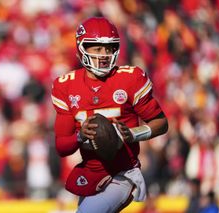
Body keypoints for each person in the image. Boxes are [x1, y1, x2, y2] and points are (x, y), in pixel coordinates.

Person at [51, 16, 168, 213]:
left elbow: (161, 123)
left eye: (109, 48)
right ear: (82, 48)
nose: (104, 54)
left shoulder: (130, 79)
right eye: (97, 48)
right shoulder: (66, 85)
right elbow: (62, 146)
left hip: (122, 173)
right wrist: (80, 136)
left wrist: (133, 134)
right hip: (91, 171)